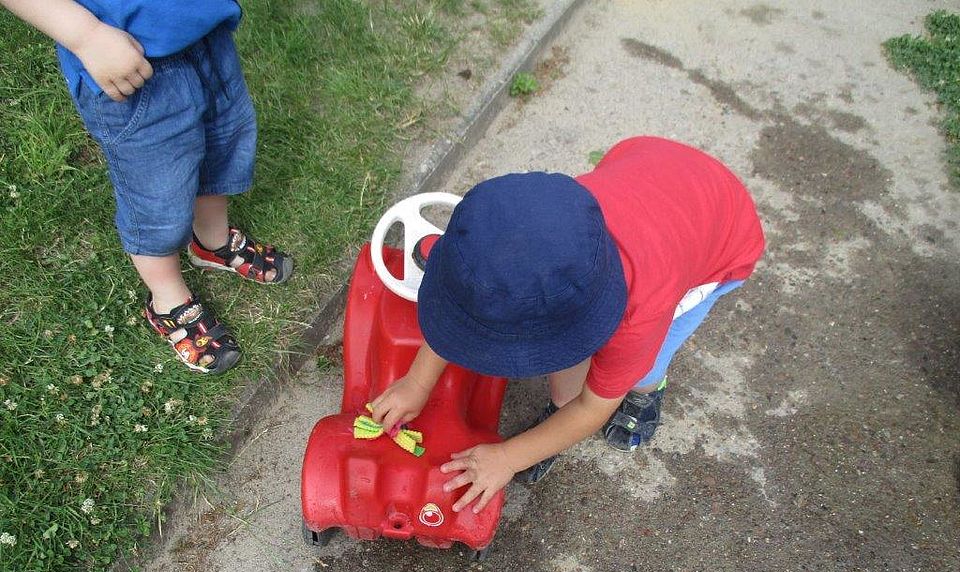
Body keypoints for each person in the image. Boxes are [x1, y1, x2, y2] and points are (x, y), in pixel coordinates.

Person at [370, 136, 765, 514]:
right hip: (648, 164)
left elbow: (593, 408)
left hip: (721, 238)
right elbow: (459, 311)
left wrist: (509, 456)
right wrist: (416, 382)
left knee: (641, 369)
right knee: (567, 365)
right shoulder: (489, 245)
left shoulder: (639, 315)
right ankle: (560, 410)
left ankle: (648, 395)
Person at [0, 0, 293, 374]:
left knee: (223, 147)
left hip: (206, 32)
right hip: (129, 62)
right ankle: (168, 301)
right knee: (159, 194)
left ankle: (212, 242)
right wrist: (85, 35)